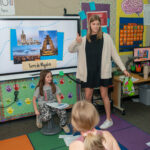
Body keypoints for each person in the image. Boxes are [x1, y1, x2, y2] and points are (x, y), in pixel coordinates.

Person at [68, 15, 130, 129]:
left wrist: (123, 69)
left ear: (100, 25)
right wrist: (76, 42)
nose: (96, 26)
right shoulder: (83, 39)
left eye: (97, 24)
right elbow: (70, 49)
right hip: (89, 73)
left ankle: (108, 119)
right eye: (93, 24)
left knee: (104, 96)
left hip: (103, 72)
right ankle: (89, 119)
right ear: (89, 25)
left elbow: (114, 54)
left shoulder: (106, 38)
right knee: (87, 96)